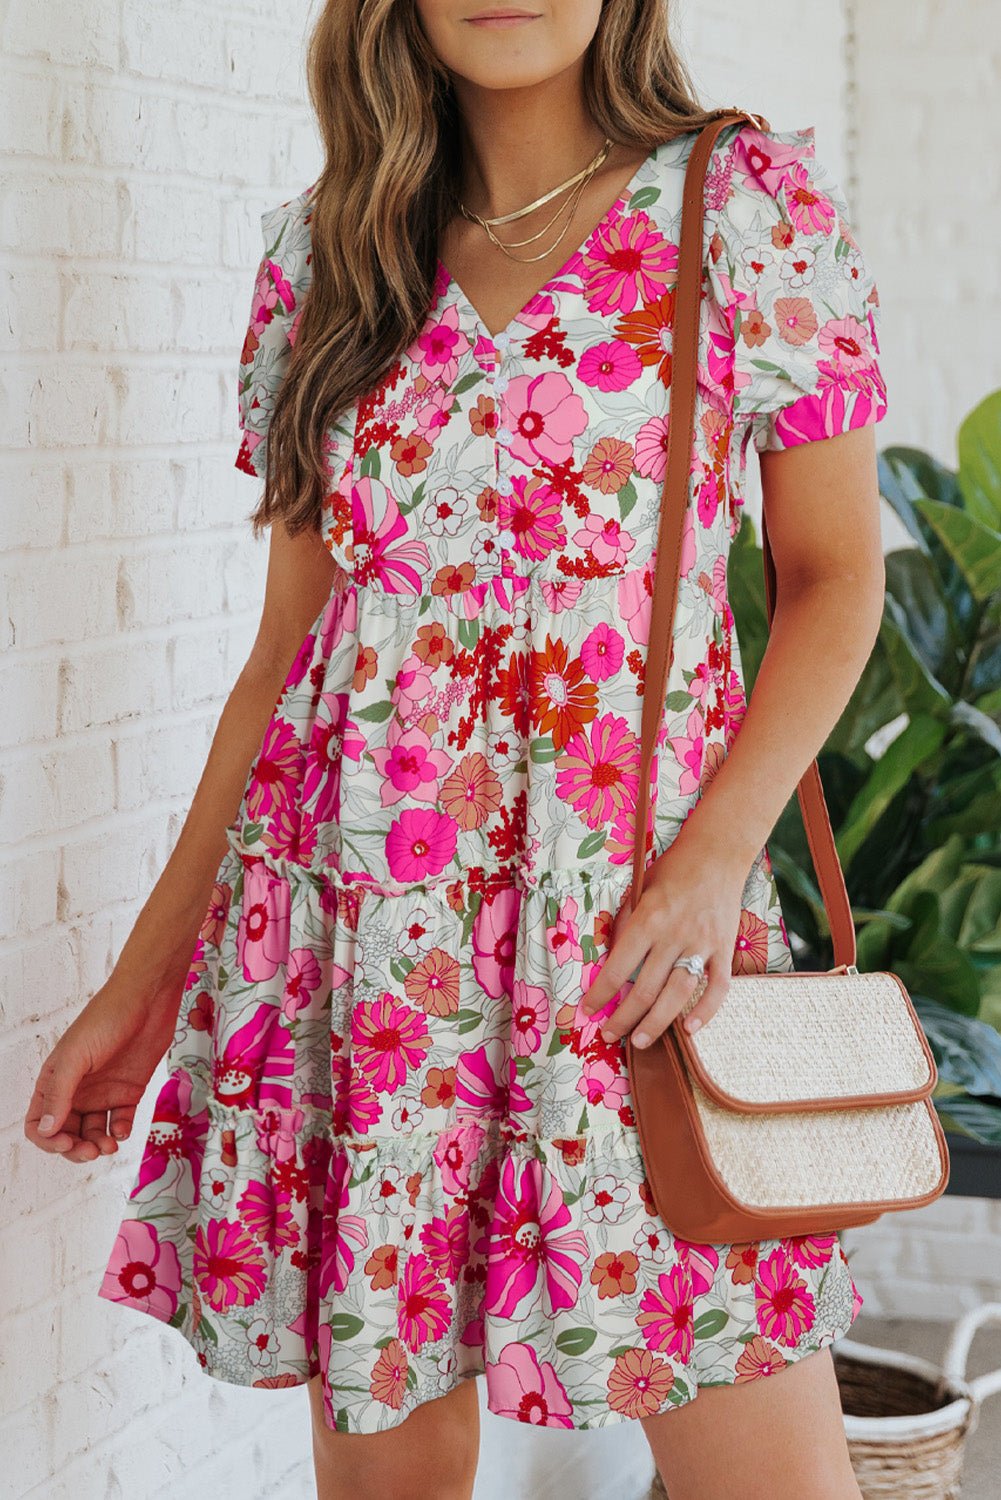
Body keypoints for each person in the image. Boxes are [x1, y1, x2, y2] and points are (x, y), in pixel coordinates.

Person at [25, 3, 889, 1497]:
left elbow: (833, 579)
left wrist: (710, 867)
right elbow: (284, 659)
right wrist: (141, 985)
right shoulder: (325, 257)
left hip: (629, 929)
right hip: (355, 941)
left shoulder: (739, 204)